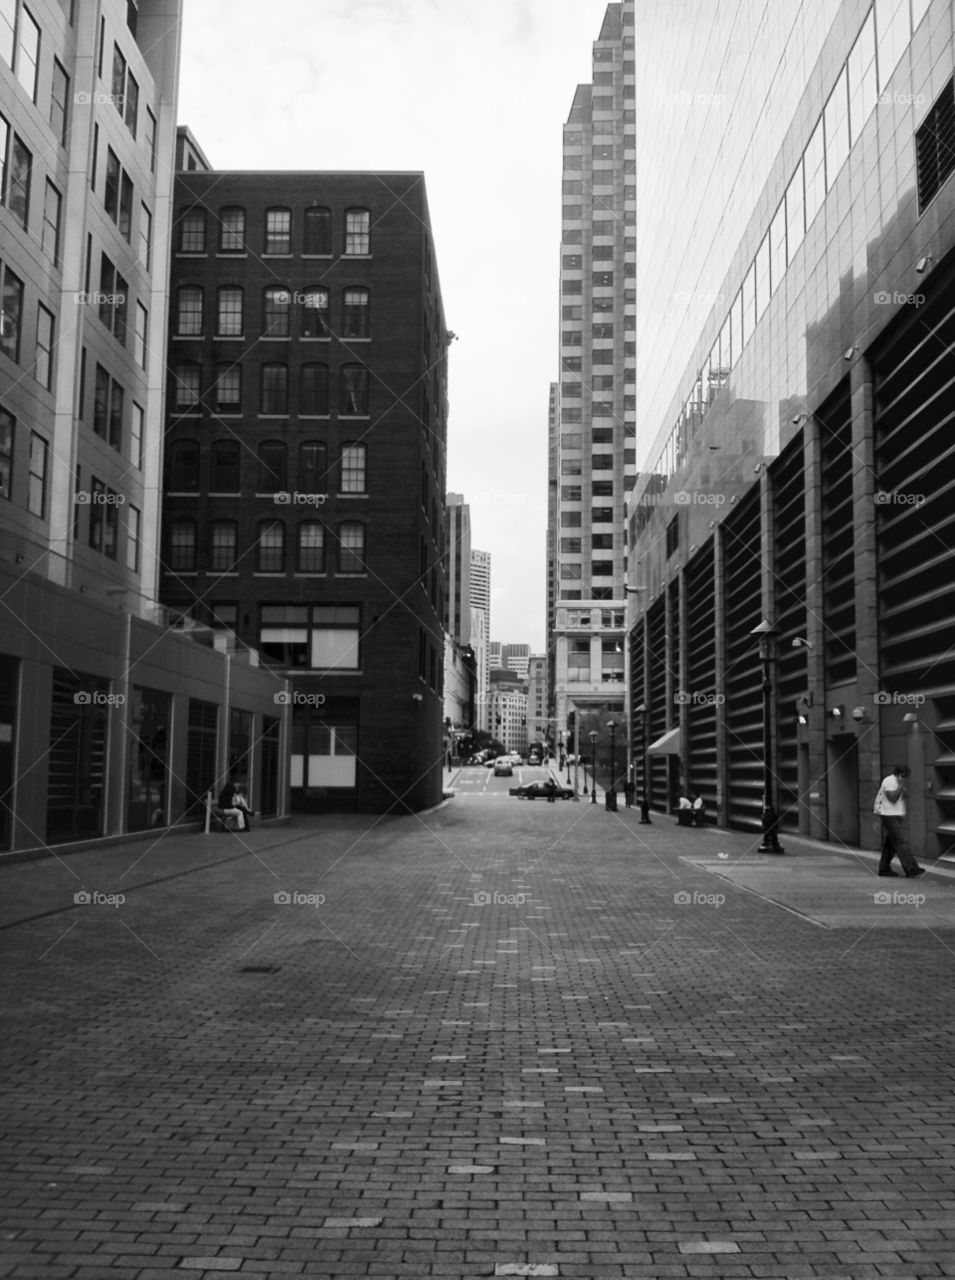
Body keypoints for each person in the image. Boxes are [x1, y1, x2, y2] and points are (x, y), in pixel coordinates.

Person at [875, 765, 923, 877]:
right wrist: (900, 786)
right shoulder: (889, 781)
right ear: (898, 774)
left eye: (906, 776)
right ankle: (911, 868)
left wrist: (902, 788)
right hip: (888, 814)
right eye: (903, 776)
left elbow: (904, 796)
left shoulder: (897, 782)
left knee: (890, 844)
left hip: (895, 815)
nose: (904, 778)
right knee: (900, 841)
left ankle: (884, 869)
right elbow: (892, 798)